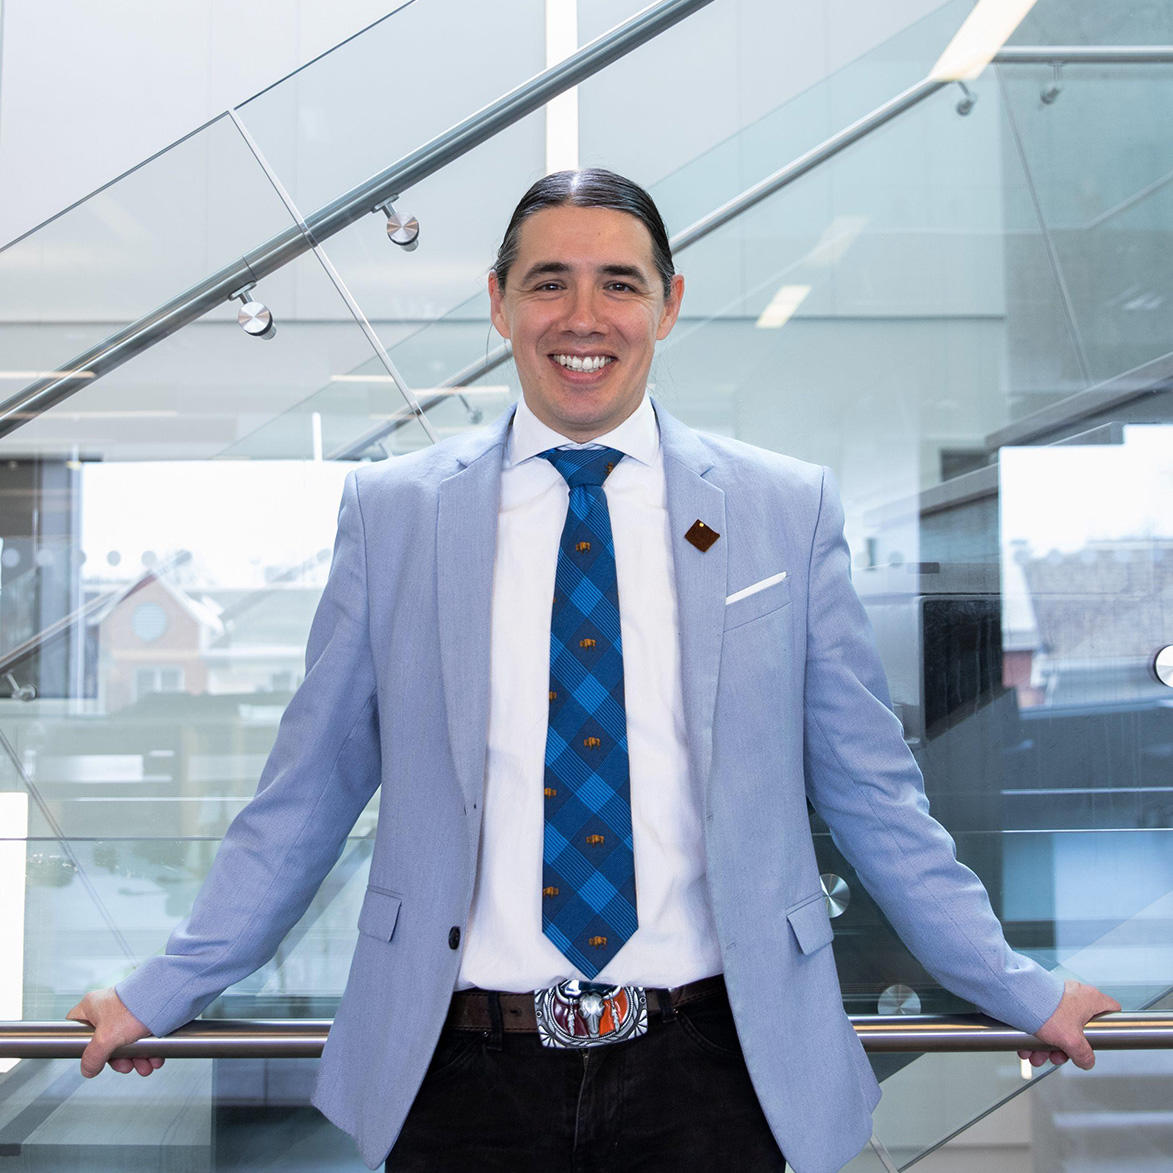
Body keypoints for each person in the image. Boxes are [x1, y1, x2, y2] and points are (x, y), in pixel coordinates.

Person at [68, 169, 1119, 1173]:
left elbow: (873, 794)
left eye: (620, 283)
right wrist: (167, 985)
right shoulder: (396, 516)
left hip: (713, 1067)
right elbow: (307, 795)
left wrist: (1011, 983)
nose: (584, 317)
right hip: (462, 1070)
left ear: (667, 306)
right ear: (498, 304)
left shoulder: (779, 511)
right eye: (548, 283)